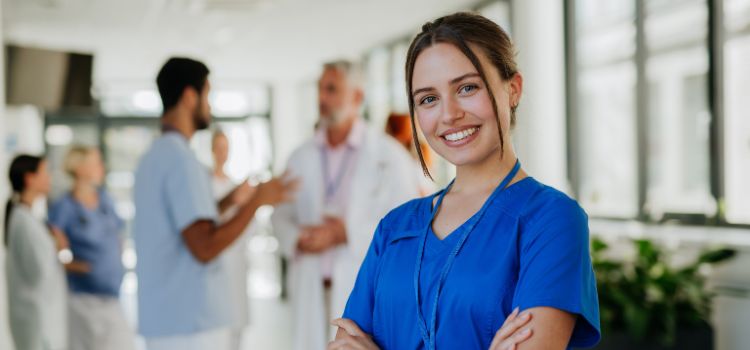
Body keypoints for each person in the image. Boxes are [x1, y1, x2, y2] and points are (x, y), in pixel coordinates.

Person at [330, 13, 601, 350]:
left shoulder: (552, 220)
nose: (449, 114)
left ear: (513, 89)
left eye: (467, 87)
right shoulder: (394, 228)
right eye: (428, 99)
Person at [133, 57, 297, 350]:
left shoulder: (154, 157)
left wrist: (230, 201)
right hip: (189, 327)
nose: (210, 105)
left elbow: (182, 223)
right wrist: (258, 200)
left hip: (167, 321)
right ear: (189, 96)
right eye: (207, 95)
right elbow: (204, 246)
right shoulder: (181, 160)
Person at [271, 60, 421, 350]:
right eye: (320, 89)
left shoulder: (388, 156)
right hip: (312, 285)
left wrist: (345, 233)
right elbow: (280, 214)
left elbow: (407, 225)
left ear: (357, 97)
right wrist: (299, 238)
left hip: (360, 285)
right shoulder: (300, 157)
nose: (321, 98)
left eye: (331, 90)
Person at [48, 146, 136, 350]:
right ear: (80, 169)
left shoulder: (104, 199)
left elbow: (117, 234)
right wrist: (74, 266)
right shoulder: (65, 207)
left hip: (113, 296)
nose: (101, 167)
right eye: (95, 163)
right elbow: (50, 250)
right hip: (84, 300)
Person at [5, 155, 68, 350]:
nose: (49, 178)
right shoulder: (24, 222)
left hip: (38, 320)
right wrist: (59, 249)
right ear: (29, 179)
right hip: (37, 321)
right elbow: (40, 274)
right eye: (44, 173)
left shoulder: (28, 218)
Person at [210, 130, 252, 350]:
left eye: (225, 148)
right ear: (211, 150)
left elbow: (247, 226)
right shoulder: (206, 185)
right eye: (218, 147)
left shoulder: (236, 185)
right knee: (218, 324)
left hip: (236, 261)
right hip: (217, 261)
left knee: (236, 325)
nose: (222, 153)